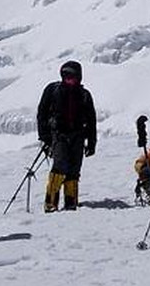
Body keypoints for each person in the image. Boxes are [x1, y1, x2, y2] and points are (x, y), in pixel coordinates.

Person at [37, 60, 96, 212]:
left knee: (74, 168)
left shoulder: (84, 95)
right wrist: (45, 137)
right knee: (60, 166)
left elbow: (91, 120)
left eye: (72, 77)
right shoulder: (53, 91)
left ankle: (71, 202)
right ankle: (51, 203)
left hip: (78, 135)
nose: (69, 80)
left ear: (79, 77)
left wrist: (92, 143)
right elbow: (41, 114)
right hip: (58, 135)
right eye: (66, 77)